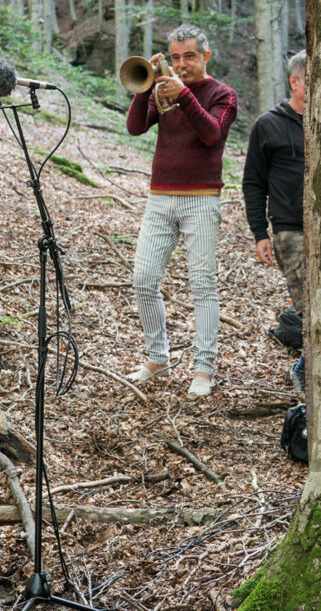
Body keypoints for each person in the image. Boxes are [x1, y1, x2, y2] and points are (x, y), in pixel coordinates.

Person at [125, 24, 239, 397]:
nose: (181, 64)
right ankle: (158, 357)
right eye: (175, 57)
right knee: (143, 278)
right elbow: (134, 128)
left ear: (205, 56)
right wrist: (146, 88)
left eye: (189, 56)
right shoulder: (164, 90)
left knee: (202, 284)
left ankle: (203, 369)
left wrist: (185, 96)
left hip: (201, 199)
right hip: (160, 198)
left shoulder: (223, 94)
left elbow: (211, 135)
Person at [242, 51, 307, 393]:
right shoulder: (268, 125)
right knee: (308, 309)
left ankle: (307, 370)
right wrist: (260, 233)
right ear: (294, 82)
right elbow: (253, 182)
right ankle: (304, 375)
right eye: (311, 81)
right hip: (289, 231)